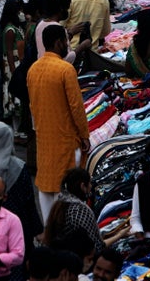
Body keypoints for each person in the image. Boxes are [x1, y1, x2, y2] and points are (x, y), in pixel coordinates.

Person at [28, 26, 90, 220]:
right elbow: (77, 108)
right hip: (65, 140)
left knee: (46, 186)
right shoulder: (65, 69)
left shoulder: (33, 69)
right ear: (58, 42)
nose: (67, 45)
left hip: (44, 138)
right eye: (66, 40)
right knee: (65, 188)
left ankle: (48, 231)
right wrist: (85, 136)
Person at [40, 168, 102, 253]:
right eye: (90, 183)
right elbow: (94, 246)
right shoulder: (80, 211)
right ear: (83, 186)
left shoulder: (60, 203)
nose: (91, 186)